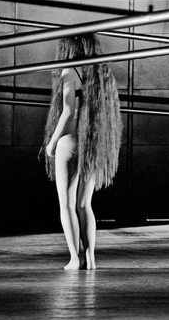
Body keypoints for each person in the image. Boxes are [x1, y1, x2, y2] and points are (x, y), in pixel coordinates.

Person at [39, 33, 123, 270]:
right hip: (91, 144)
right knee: (85, 205)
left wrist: (52, 143)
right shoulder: (101, 75)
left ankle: (75, 259)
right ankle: (91, 259)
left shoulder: (69, 71)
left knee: (66, 204)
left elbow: (67, 112)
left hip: (69, 142)